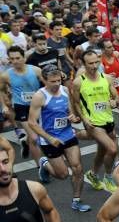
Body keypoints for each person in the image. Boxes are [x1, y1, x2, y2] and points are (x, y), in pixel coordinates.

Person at [27, 66, 90, 211]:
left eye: (58, 80)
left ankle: (76, 200)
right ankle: (44, 164)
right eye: (52, 81)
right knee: (62, 175)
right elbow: (32, 122)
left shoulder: (65, 90)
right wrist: (49, 138)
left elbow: (70, 111)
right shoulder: (39, 96)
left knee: (77, 168)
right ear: (44, 80)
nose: (56, 84)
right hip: (49, 139)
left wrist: (73, 117)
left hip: (68, 134)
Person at [71, 50, 119, 192]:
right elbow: (75, 102)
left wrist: (114, 102)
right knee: (112, 149)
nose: (94, 66)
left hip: (108, 119)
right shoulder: (79, 82)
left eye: (96, 62)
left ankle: (92, 174)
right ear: (83, 64)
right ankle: (108, 177)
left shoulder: (107, 78)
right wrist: (84, 118)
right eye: (90, 63)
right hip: (93, 122)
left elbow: (117, 97)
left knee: (102, 150)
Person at [1, 46, 43, 160]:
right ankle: (40, 167)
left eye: (17, 58)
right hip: (21, 107)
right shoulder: (6, 75)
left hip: (37, 106)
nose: (15, 61)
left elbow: (48, 84)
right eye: (12, 59)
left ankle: (25, 141)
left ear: (24, 58)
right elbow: (0, 89)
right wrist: (4, 105)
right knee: (34, 138)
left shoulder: (36, 70)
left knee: (37, 135)